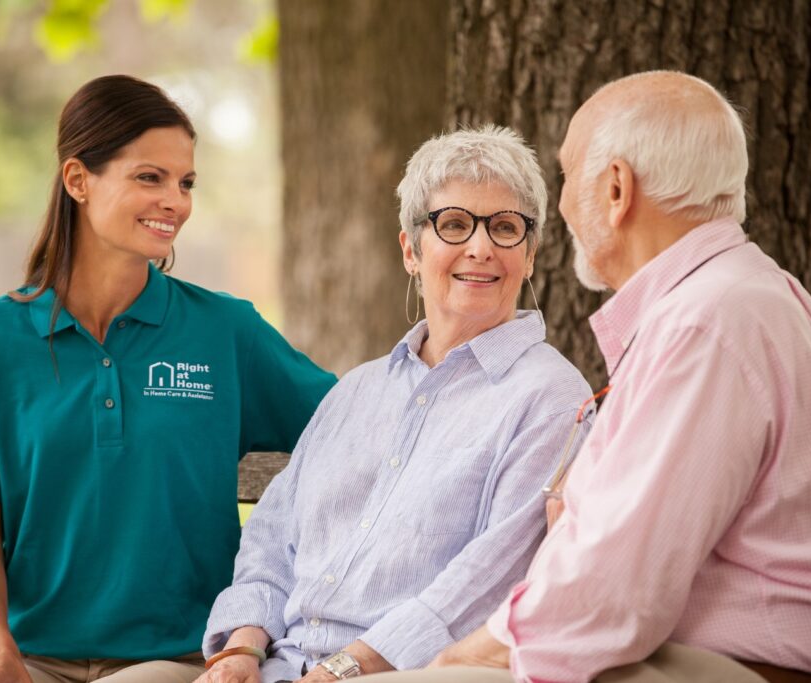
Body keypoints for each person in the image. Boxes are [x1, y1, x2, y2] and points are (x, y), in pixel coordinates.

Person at [362, 71, 811, 683]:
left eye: (566, 177)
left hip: (726, 667)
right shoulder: (749, 294)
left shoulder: (705, 322)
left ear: (616, 189)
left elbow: (608, 597)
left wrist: (457, 658)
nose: (560, 208)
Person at [0, 75, 336, 683]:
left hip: (182, 659)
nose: (176, 201)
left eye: (186, 182)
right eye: (150, 177)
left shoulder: (225, 331)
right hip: (27, 658)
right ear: (78, 180)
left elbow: (358, 423)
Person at [196, 125, 593, 683]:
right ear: (411, 249)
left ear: (529, 256)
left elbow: (486, 584)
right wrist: (239, 650)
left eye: (506, 228)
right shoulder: (356, 392)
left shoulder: (550, 400)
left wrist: (342, 669)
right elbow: (270, 540)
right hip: (276, 666)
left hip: (408, 674)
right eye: (454, 224)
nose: (480, 247)